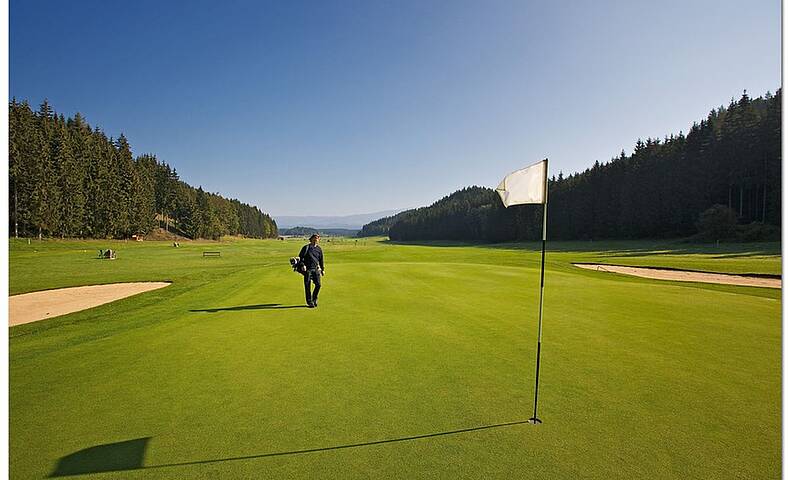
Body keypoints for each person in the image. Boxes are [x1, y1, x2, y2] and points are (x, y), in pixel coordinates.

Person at [298, 234, 324, 308]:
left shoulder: (319, 249)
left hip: (316, 269)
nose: (317, 239)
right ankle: (309, 302)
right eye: (315, 238)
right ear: (311, 239)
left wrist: (322, 269)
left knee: (318, 285)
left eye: (318, 238)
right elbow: (301, 258)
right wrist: (303, 265)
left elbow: (321, 260)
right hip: (307, 270)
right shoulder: (306, 248)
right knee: (307, 286)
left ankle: (314, 298)